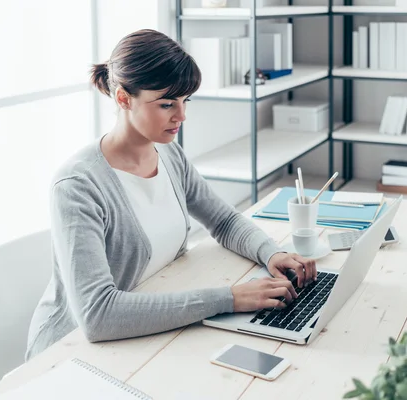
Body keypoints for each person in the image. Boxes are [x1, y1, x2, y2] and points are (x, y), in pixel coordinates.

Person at [25, 29, 317, 360]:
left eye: (184, 101)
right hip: (71, 352)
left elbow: (222, 219)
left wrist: (272, 254)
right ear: (123, 98)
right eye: (167, 104)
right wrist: (231, 298)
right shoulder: (78, 186)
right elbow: (98, 315)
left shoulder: (168, 154)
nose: (181, 116)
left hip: (149, 327)